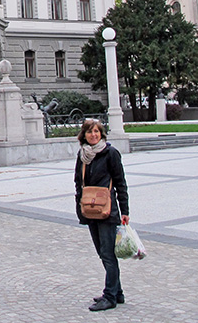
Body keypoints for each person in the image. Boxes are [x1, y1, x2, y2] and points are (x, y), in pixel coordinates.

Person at [74, 119, 130, 312]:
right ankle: (117, 292)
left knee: (108, 254)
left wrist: (125, 211)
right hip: (90, 210)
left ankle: (110, 296)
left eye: (96, 131)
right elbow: (78, 183)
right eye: (90, 132)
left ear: (102, 134)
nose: (93, 135)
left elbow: (120, 182)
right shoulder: (83, 155)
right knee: (102, 253)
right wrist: (80, 209)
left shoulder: (110, 153)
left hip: (107, 210)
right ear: (84, 135)